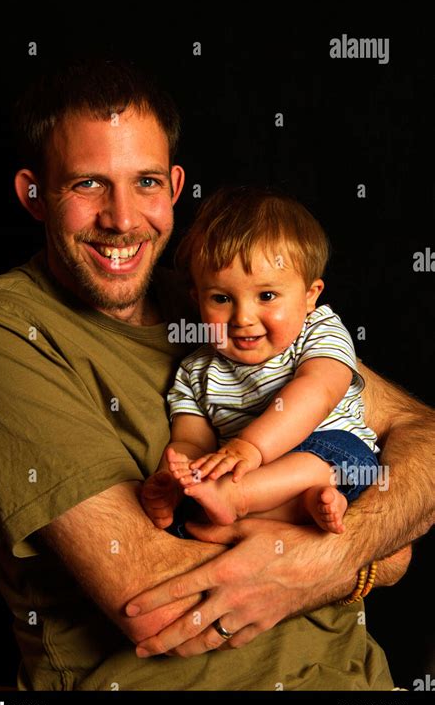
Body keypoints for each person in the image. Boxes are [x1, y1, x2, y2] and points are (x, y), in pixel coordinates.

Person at [0, 58, 432, 691]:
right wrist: (381, 553)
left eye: (146, 182)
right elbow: (150, 593)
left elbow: (421, 432)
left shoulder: (221, 296)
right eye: (88, 185)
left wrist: (352, 548)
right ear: (34, 195)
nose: (123, 219)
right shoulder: (1, 329)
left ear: (176, 186)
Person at [141, 186, 381, 535]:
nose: (243, 317)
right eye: (221, 298)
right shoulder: (196, 371)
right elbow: (192, 441)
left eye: (266, 295)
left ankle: (247, 501)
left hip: (331, 452)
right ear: (197, 299)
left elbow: (317, 390)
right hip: (251, 482)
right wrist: (174, 477)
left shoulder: (318, 330)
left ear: (310, 295)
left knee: (322, 460)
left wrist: (250, 446)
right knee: (204, 498)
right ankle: (309, 506)